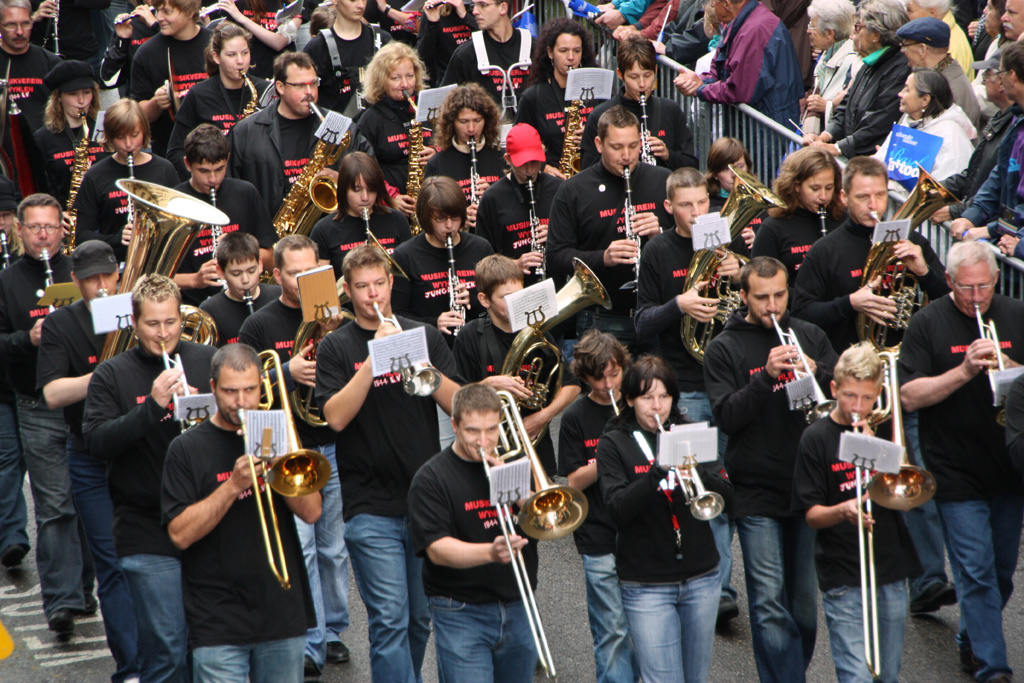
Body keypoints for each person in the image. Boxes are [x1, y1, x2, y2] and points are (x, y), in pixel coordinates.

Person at [315, 243, 461, 683]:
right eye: (361, 287)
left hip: (423, 500)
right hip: (369, 505)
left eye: (379, 283)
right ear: (347, 290)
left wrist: (423, 367)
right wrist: (374, 362)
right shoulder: (336, 348)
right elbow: (335, 417)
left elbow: (460, 405)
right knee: (390, 622)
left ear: (391, 282)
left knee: (419, 622)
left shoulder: (424, 335)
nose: (372, 294)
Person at [704, 256, 838, 683]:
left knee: (801, 605)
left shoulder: (811, 336)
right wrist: (764, 377)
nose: (772, 306)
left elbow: (843, 393)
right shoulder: (725, 346)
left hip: (809, 486)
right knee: (767, 602)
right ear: (743, 296)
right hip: (756, 489)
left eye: (780, 295)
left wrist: (821, 373)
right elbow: (726, 416)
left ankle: (788, 674)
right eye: (762, 298)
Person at [899, 240, 1024, 683]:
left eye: (984, 287)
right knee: (975, 571)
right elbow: (909, 395)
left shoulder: (1015, 313)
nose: (976, 298)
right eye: (967, 288)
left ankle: (973, 638)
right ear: (949, 282)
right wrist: (964, 371)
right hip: (953, 468)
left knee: (1002, 572)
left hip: (1010, 465)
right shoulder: (928, 322)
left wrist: (1012, 369)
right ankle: (994, 666)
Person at [82, 274, 218, 683]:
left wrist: (212, 413)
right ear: (134, 324)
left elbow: (242, 421)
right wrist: (153, 407)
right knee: (168, 653)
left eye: (171, 322)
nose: (164, 333)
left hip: (208, 522)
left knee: (210, 649)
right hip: (146, 527)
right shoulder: (112, 374)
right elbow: (97, 441)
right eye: (153, 324)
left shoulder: (206, 359)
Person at [634, 166, 751, 625]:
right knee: (707, 482)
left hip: (734, 379)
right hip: (691, 383)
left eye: (703, 202)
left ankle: (715, 580)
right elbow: (642, 324)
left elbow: (757, 305)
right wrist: (678, 305)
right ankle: (715, 587)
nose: (697, 212)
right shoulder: (659, 251)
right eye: (686, 204)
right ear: (669, 208)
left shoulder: (726, 241)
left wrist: (740, 273)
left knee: (731, 482)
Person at [161, 343, 319, 683]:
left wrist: (280, 466)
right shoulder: (186, 448)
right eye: (231, 391)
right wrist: (233, 486)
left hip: (281, 610)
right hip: (217, 619)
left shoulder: (275, 430)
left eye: (250, 390)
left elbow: (312, 512)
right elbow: (179, 534)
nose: (241, 401)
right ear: (213, 387)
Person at [238, 235, 351, 678]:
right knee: (302, 547)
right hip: (287, 444)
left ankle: (335, 629)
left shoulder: (331, 313)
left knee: (333, 548)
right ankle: (311, 638)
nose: (306, 281)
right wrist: (287, 371)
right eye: (295, 274)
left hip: (331, 441)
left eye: (313, 272)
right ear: (276, 275)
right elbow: (243, 388)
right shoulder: (260, 324)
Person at [37, 240, 140, 683]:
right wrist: (105, 375)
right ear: (75, 281)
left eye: (107, 277)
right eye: (91, 279)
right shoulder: (61, 324)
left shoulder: (135, 308)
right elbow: (52, 394)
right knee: (113, 564)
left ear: (117, 274)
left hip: (141, 448)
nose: (101, 287)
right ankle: (132, 668)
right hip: (90, 455)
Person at [792, 342, 922, 683]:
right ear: (834, 389)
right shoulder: (815, 438)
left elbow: (904, 494)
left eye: (867, 398)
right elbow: (812, 515)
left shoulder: (882, 426)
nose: (858, 407)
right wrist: (844, 510)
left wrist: (874, 452)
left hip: (891, 565)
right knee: (856, 675)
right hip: (843, 570)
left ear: (879, 393)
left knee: (888, 674)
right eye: (850, 396)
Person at [598, 354, 731, 683]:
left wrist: (698, 470)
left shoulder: (690, 433)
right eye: (646, 397)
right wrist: (657, 471)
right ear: (629, 400)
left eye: (664, 396)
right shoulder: (613, 444)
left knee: (694, 678)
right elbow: (616, 509)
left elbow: (729, 498)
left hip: (702, 576)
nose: (657, 406)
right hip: (646, 584)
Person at [407, 382, 540, 681]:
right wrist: (491, 552)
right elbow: (437, 550)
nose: (484, 440)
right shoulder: (431, 478)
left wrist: (516, 490)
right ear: (454, 425)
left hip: (519, 602)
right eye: (472, 431)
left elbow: (547, 521)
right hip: (461, 610)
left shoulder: (513, 462)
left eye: (492, 429)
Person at [0, 194, 89, 637]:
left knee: (87, 498)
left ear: (62, 229)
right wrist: (27, 339)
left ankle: (85, 586)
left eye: (50, 227)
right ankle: (63, 601)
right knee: (54, 506)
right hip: (35, 404)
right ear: (19, 229)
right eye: (33, 227)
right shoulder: (7, 281)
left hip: (84, 401)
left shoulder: (80, 270)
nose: (42, 235)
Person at [547, 105, 673, 355]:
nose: (627, 155)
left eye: (633, 146)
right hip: (602, 320)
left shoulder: (663, 180)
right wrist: (603, 258)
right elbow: (554, 257)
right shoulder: (574, 190)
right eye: (616, 147)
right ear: (598, 143)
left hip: (657, 315)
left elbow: (687, 243)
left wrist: (660, 236)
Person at [792, 156, 948, 355]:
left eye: (880, 195)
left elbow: (950, 298)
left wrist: (925, 273)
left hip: (905, 359)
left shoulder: (911, 241)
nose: (873, 205)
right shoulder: (825, 250)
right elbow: (801, 314)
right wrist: (850, 303)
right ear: (844, 197)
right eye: (862, 197)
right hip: (847, 362)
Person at [557, 330, 638, 683]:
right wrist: (609, 451)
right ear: (585, 377)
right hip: (598, 533)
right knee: (612, 631)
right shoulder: (576, 416)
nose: (609, 384)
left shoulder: (639, 404)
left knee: (642, 627)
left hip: (640, 528)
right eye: (598, 377)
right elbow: (573, 481)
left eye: (615, 373)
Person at [453, 253, 580, 475]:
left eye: (520, 294)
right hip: (486, 453)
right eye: (506, 297)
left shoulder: (537, 332)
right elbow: (455, 399)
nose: (517, 303)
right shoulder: (469, 336)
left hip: (537, 450)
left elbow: (573, 385)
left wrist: (543, 417)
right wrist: (488, 385)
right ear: (484, 300)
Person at [228, 51, 373, 223]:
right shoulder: (245, 131)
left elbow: (370, 172)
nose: (309, 92)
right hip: (270, 233)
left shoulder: (341, 126)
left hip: (329, 231)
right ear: (280, 87)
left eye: (313, 83)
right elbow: (232, 189)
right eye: (300, 86)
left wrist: (344, 179)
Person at [172, 123, 276, 306]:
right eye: (204, 171)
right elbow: (154, 277)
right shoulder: (173, 203)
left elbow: (270, 258)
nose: (213, 179)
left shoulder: (246, 193)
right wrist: (195, 280)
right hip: (194, 306)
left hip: (245, 299)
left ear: (228, 159)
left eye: (219, 169)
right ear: (188, 164)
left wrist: (239, 248)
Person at [71, 98, 179, 262]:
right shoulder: (96, 175)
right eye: (120, 137)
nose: (128, 144)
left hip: (158, 261)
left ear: (144, 132)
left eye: (134, 135)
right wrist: (117, 238)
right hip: (115, 265)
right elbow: (81, 235)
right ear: (110, 137)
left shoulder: (165, 170)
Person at [391, 176, 494, 342]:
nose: (449, 226)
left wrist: (473, 302)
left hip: (477, 345)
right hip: (431, 348)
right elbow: (397, 316)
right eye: (440, 219)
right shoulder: (405, 256)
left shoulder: (481, 248)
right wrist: (433, 324)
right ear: (426, 217)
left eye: (454, 218)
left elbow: (498, 304)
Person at [803, 0, 911, 159]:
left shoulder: (899, 70)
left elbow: (877, 125)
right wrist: (824, 136)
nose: (853, 34)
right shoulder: (869, 62)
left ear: (875, 35)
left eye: (859, 27)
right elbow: (845, 106)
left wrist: (837, 148)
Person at [672, 0, 803, 127]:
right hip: (754, 123)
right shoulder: (739, 21)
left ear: (726, 4)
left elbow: (738, 89)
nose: (712, 6)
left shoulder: (756, 29)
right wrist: (699, 80)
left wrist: (700, 89)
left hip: (766, 125)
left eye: (713, 3)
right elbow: (718, 69)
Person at [166, 21, 271, 178]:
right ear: (216, 57)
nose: (240, 61)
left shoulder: (264, 91)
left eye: (245, 53)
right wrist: (201, 179)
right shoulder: (198, 94)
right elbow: (175, 151)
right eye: (231, 55)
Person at [581, 37, 697, 172]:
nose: (642, 84)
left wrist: (668, 155)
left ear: (655, 70)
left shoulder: (670, 110)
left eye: (647, 75)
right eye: (634, 77)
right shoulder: (600, 114)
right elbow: (588, 170)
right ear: (620, 74)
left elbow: (692, 166)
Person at [950, 41, 1024, 248]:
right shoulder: (1016, 122)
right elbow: (999, 177)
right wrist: (972, 216)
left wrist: (991, 230)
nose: (999, 79)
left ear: (1012, 76)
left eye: (1000, 73)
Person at [475, 123, 562, 283]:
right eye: (522, 163)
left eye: (535, 162)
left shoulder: (559, 189)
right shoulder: (492, 198)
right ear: (508, 159)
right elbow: (483, 262)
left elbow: (579, 241)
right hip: (513, 287)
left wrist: (556, 234)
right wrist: (513, 265)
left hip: (557, 283)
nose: (529, 171)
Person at [356, 42, 436, 215]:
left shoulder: (426, 110)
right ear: (381, 80)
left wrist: (437, 151)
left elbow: (451, 145)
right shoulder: (370, 119)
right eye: (396, 78)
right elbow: (364, 168)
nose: (405, 84)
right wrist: (390, 197)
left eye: (409, 76)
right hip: (390, 208)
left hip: (431, 202)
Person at [310, 151, 412, 281]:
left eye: (371, 189)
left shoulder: (397, 220)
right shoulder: (324, 230)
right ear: (344, 189)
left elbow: (409, 271)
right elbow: (319, 284)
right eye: (357, 190)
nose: (365, 198)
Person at [936, 54, 1014, 225]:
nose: (984, 81)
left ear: (1003, 81)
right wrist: (935, 188)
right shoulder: (998, 119)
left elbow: (1001, 184)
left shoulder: (1014, 126)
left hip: (990, 224)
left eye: (987, 76)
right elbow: (974, 171)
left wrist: (960, 210)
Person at [514, 18, 599, 174]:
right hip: (553, 180)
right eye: (563, 50)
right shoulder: (533, 97)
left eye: (577, 51)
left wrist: (591, 135)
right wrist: (543, 168)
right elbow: (519, 143)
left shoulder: (597, 90)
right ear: (550, 52)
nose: (571, 57)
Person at [131, 0, 214, 158]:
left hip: (216, 151)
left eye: (167, 12)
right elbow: (137, 115)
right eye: (157, 11)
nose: (159, 17)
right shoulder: (146, 53)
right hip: (171, 154)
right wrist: (156, 103)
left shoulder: (214, 43)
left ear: (190, 12)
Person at [752, 147, 845, 287]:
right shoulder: (773, 228)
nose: (823, 196)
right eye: (815, 188)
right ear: (796, 186)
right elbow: (762, 285)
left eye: (829, 188)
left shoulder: (843, 220)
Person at [873, 69, 976, 194]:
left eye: (906, 89)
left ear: (925, 100)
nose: (900, 94)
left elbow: (942, 189)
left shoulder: (950, 133)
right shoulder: (909, 121)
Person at [423, 83, 504, 229]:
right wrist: (458, 218)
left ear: (487, 121)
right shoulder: (437, 164)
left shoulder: (502, 158)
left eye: (477, 121)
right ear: (451, 122)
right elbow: (428, 215)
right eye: (464, 122)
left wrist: (494, 196)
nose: (471, 129)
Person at [33, 61, 109, 208]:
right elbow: (40, 186)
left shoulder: (105, 128)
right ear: (59, 97)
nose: (81, 101)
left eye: (87, 93)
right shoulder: (43, 138)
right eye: (73, 94)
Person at [0, 177, 28, 572]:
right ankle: (12, 536)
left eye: (7, 216)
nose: (2, 224)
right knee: (7, 458)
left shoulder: (30, 264)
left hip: (32, 379)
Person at [440, 0, 532, 116]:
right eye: (474, 5)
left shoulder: (535, 48)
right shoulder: (465, 55)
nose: (474, 11)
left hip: (529, 131)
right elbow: (443, 106)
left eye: (483, 5)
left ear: (503, 8)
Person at [303, 0, 391, 117]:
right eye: (353, 0)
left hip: (379, 129)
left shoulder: (383, 40)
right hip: (336, 129)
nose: (361, 5)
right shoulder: (317, 47)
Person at [896, 17, 980, 128]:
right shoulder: (941, 76)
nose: (902, 51)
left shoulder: (949, 92)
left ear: (922, 49)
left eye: (905, 46)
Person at [200, 231, 281, 346]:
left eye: (251, 271)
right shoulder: (210, 310)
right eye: (236, 274)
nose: (245, 280)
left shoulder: (279, 296)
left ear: (260, 265)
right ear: (221, 272)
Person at [0, 0, 62, 134]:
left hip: (43, 144)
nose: (20, 32)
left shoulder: (51, 62)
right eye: (11, 25)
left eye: (26, 24)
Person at [803, 0, 862, 137]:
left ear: (829, 33)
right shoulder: (826, 52)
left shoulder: (852, 61)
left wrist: (826, 106)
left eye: (812, 27)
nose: (808, 31)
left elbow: (852, 107)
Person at [201, 0, 293, 80]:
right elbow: (225, 40)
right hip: (246, 73)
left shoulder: (292, 4)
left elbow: (279, 42)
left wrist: (240, 17)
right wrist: (207, 24)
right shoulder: (239, 3)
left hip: (277, 73)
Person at [101, 3, 160, 98]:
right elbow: (108, 78)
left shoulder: (179, 24)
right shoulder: (131, 24)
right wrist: (122, 42)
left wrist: (156, 26)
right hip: (137, 101)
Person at [903, 0, 974, 78]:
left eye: (909, 11)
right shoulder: (946, 36)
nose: (906, 16)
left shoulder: (949, 47)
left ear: (932, 13)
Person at [415, 0, 476, 85]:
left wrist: (465, 16)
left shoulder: (477, 8)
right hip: (448, 82)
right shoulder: (436, 10)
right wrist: (432, 25)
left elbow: (490, 42)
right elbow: (423, 58)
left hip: (477, 80)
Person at [703, 136, 756, 219]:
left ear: (748, 167)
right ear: (715, 174)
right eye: (726, 169)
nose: (734, 175)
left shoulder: (758, 199)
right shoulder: (706, 207)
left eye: (740, 167)